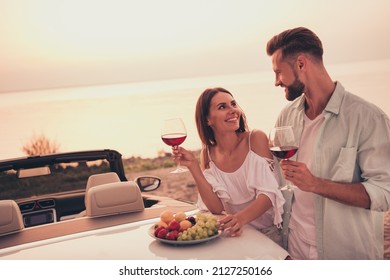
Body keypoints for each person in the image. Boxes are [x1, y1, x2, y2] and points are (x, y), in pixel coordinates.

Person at [266, 27, 390, 259]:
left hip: (345, 254)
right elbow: (274, 177)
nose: (276, 82)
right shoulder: (286, 116)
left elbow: (384, 194)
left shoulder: (368, 118)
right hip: (293, 247)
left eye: (278, 73)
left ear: (301, 64)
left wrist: (316, 184)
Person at [172, 87, 285, 246]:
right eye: (222, 107)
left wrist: (240, 218)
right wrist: (193, 167)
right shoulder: (207, 153)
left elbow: (269, 195)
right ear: (207, 120)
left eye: (233, 104)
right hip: (234, 234)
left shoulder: (255, 139)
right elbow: (215, 207)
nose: (233, 110)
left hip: (269, 234)